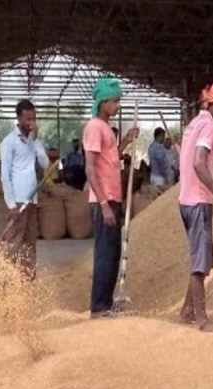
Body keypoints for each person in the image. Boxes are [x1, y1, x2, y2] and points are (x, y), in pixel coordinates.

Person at [177, 82, 213, 331]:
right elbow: (199, 163)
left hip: (186, 199)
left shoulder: (196, 122)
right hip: (199, 200)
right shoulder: (210, 127)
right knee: (200, 261)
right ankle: (201, 318)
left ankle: (187, 310)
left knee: (202, 257)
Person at [83, 78, 138, 319]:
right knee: (105, 253)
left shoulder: (106, 128)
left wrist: (126, 140)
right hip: (104, 200)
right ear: (103, 102)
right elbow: (91, 168)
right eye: (115, 101)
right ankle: (98, 307)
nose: (118, 105)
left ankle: (105, 301)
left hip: (113, 198)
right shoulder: (94, 127)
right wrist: (104, 204)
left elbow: (110, 157)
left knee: (113, 252)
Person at [0, 99, 50, 279]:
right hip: (18, 200)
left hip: (32, 200)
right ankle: (11, 280)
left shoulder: (34, 141)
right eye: (28, 119)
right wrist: (11, 204)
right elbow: (5, 175)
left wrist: (35, 141)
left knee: (30, 241)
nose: (31, 122)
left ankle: (28, 278)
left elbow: (45, 163)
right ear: (19, 118)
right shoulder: (9, 142)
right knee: (15, 241)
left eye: (34, 119)